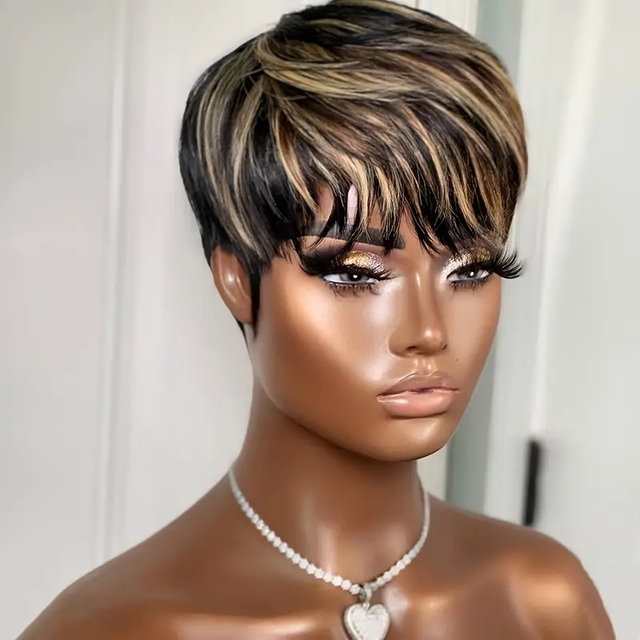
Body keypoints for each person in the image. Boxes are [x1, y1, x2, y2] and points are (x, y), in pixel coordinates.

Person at [19, 0, 614, 638]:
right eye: (356, 274)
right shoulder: (112, 627)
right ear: (235, 280)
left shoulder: (544, 600)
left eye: (470, 270)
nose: (429, 331)